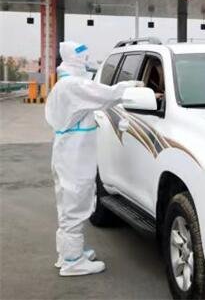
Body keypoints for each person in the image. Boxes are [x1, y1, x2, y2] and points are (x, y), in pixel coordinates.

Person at [45, 41, 143, 276]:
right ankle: (72, 262)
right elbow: (106, 95)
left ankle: (68, 253)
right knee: (75, 203)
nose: (88, 59)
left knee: (68, 204)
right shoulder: (73, 85)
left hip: (68, 152)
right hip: (74, 155)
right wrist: (128, 87)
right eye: (84, 55)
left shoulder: (65, 84)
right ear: (75, 58)